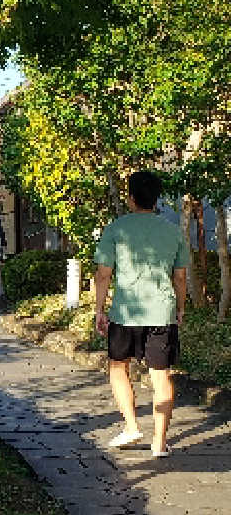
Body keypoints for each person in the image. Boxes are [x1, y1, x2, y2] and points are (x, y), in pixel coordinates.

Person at [94, 169, 190, 457]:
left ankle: (131, 426)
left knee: (117, 367)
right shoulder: (172, 231)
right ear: (156, 197)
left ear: (131, 197)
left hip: (125, 313)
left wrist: (99, 309)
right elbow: (181, 277)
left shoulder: (116, 229)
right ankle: (159, 442)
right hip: (161, 312)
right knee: (161, 376)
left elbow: (103, 273)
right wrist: (180, 309)